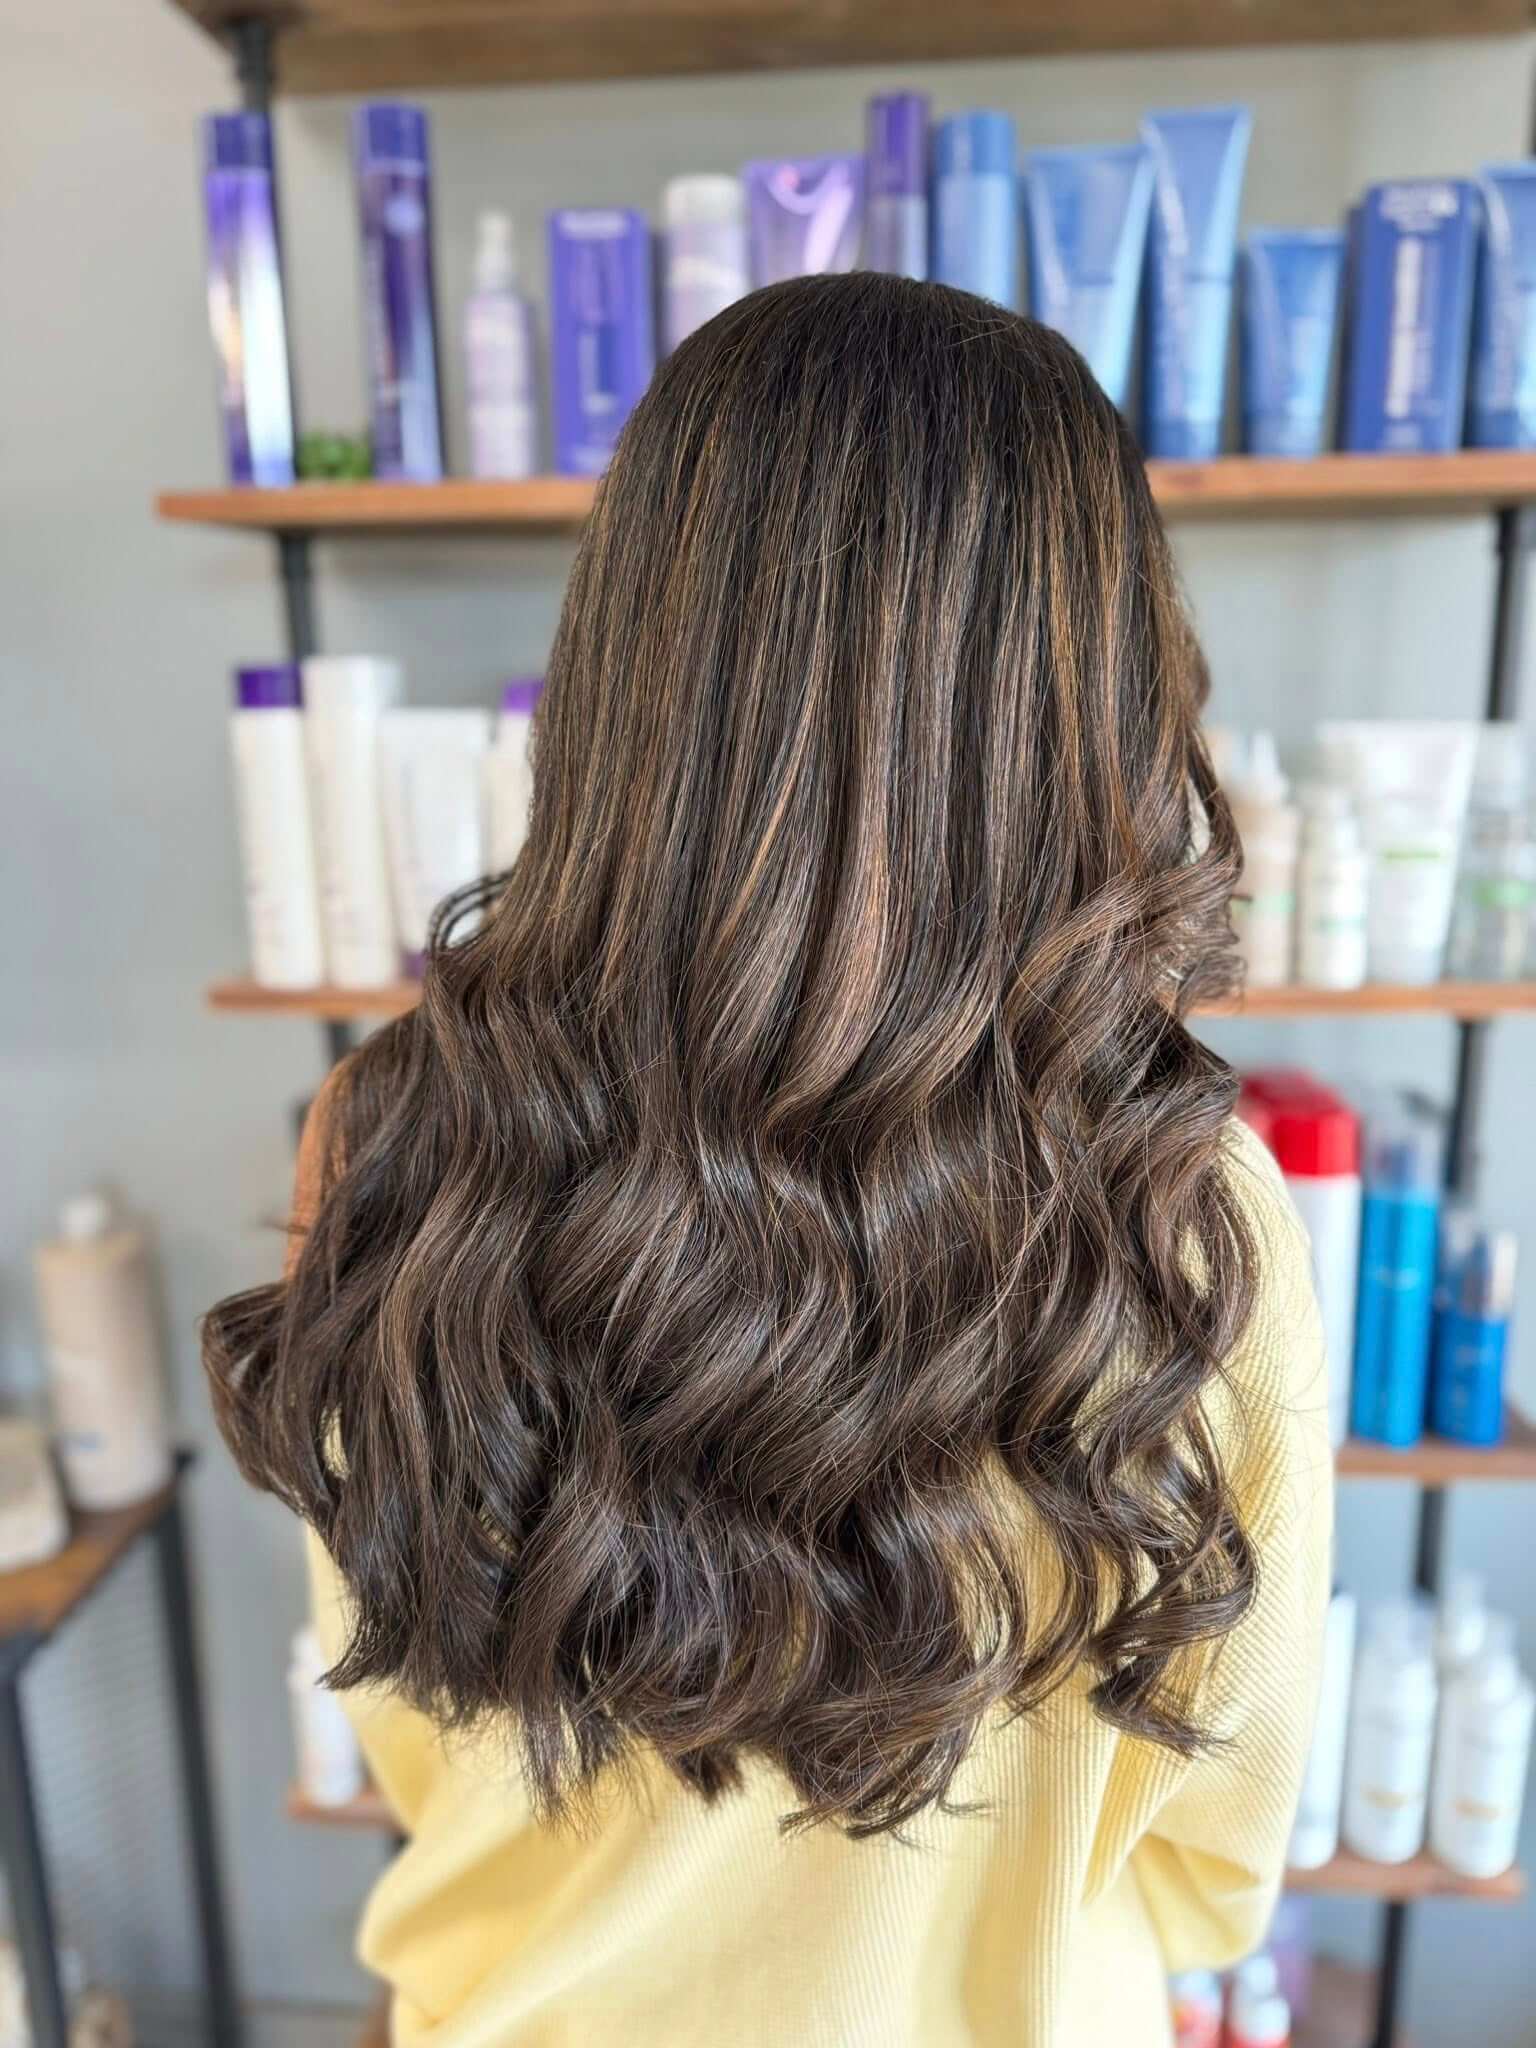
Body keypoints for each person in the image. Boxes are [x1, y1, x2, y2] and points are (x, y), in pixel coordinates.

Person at [205, 273, 1331, 2048]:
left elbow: (419, 1726)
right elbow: (1213, 1850)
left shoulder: (398, 1137)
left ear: (634, 663)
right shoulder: (1194, 1221)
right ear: (1092, 691)